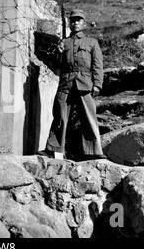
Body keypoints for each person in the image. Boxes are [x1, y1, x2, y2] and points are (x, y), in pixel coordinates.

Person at [44, 9, 106, 160]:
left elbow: (98, 65)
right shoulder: (63, 43)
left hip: (85, 83)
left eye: (79, 20)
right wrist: (57, 53)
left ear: (84, 23)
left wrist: (97, 84)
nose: (75, 22)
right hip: (66, 83)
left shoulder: (92, 43)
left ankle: (93, 152)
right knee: (60, 116)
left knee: (88, 117)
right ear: (69, 24)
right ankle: (54, 151)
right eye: (73, 20)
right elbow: (57, 65)